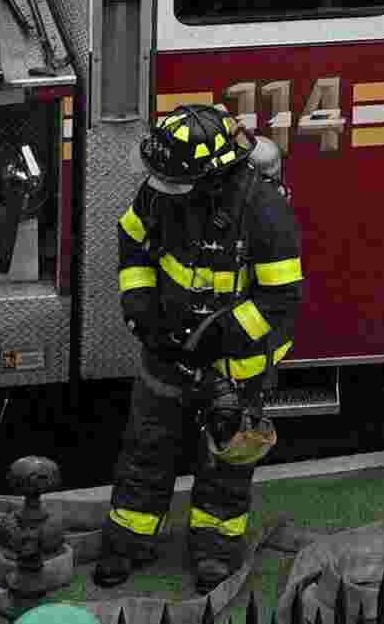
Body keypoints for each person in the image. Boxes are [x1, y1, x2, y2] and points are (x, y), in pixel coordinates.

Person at [96, 105, 302, 593]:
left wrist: (217, 337)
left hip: (235, 368)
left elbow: (279, 301)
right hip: (165, 352)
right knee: (146, 449)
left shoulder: (264, 211)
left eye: (174, 182)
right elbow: (132, 240)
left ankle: (215, 550)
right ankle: (128, 542)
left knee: (226, 464)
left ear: (215, 175)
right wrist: (139, 299)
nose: (161, 189)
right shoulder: (165, 186)